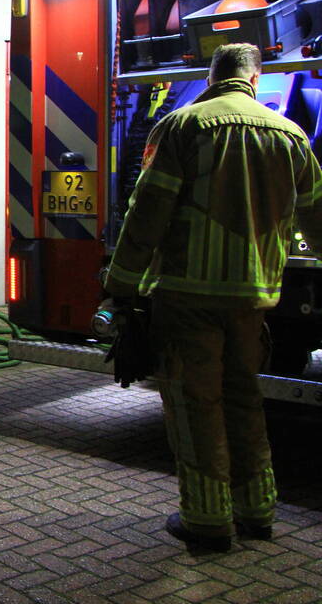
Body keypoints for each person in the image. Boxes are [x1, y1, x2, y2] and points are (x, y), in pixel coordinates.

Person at [104, 43, 322, 552]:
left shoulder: (183, 126)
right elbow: (316, 217)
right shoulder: (291, 135)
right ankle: (258, 511)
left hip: (189, 296)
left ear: (211, 77)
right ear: (255, 79)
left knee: (196, 404)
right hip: (253, 299)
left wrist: (121, 285)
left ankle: (206, 521)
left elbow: (147, 211)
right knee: (245, 399)